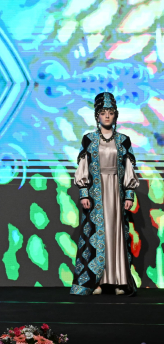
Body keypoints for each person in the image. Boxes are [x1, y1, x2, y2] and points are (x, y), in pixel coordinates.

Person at [71, 92, 139, 296]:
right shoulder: (89, 139)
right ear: (97, 116)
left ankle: (118, 281)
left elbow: (129, 169)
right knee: (97, 235)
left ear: (115, 115)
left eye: (110, 112)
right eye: (103, 112)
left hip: (116, 193)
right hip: (96, 194)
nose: (107, 116)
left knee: (116, 235)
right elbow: (83, 167)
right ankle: (97, 281)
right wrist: (84, 193)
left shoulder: (123, 140)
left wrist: (129, 195)